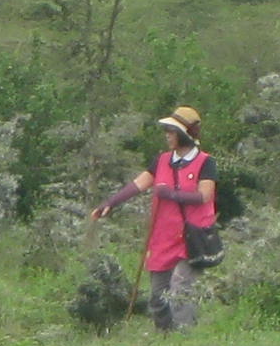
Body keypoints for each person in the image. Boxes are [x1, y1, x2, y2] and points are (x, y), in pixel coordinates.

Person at [90, 106, 217, 331]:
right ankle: (164, 341)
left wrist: (170, 194)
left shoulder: (205, 162)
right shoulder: (161, 161)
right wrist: (110, 203)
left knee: (180, 287)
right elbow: (137, 185)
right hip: (164, 238)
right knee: (158, 299)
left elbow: (204, 195)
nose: (167, 135)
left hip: (192, 238)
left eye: (171, 130)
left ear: (184, 134)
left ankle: (185, 339)